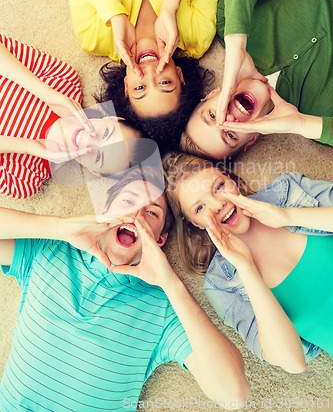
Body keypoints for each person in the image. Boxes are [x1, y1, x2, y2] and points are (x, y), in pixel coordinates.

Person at [0, 166, 249, 411]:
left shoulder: (163, 307)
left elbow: (234, 395)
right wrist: (62, 229)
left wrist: (170, 282)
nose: (136, 215)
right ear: (106, 210)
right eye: (128, 202)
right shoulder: (50, 250)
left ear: (160, 239)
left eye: (152, 213)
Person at [60, 0, 220, 151]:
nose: (149, 72)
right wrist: (170, 5)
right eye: (165, 82)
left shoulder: (93, 36)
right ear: (181, 76)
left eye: (140, 88)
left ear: (125, 87)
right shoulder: (198, 33)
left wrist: (114, 14)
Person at [181, 0, 333, 160]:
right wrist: (301, 124)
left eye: (213, 115)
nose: (228, 119)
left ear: (211, 96)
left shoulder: (230, 28)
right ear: (250, 140)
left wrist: (237, 42)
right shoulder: (317, 123)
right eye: (230, 134)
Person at [164, 152, 333, 371]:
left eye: (218, 187)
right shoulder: (220, 284)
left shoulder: (289, 190)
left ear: (231, 180)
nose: (217, 204)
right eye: (200, 208)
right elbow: (292, 362)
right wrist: (247, 269)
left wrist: (289, 216)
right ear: (195, 224)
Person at [0, 34, 142, 198]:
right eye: (105, 133)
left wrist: (27, 146)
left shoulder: (26, 179)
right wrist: (46, 93)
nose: (89, 140)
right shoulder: (65, 81)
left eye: (98, 156)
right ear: (111, 119)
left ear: (95, 172)